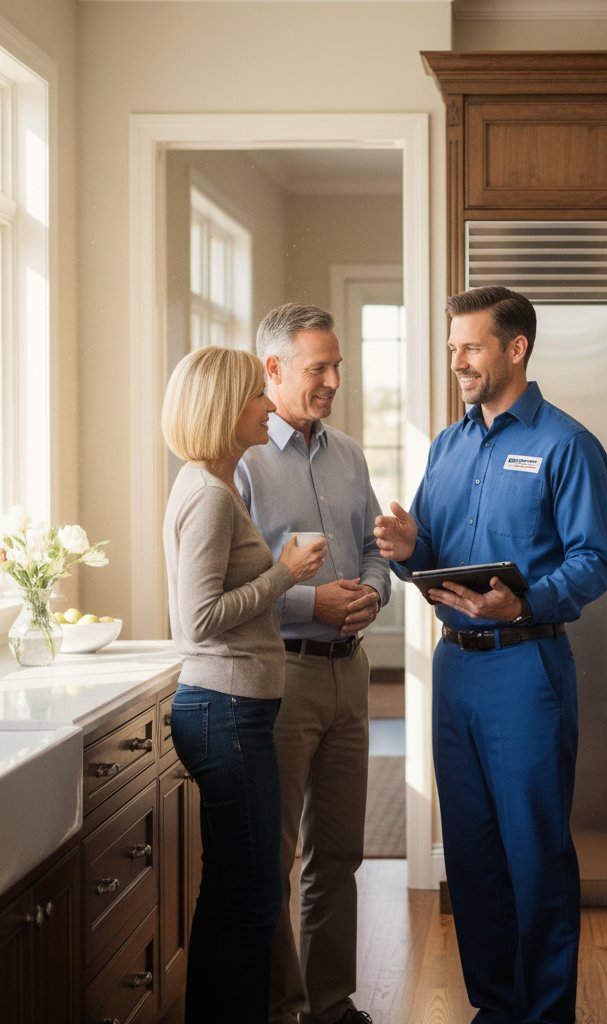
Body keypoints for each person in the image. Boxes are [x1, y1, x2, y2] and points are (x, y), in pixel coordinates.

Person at [374, 285, 607, 1024]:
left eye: (470, 347)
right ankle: (495, 1008)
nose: (458, 362)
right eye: (452, 349)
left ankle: (544, 1016)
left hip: (526, 671)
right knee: (474, 858)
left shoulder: (566, 444)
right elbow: (438, 561)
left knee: (534, 855)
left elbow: (595, 560)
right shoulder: (447, 447)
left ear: (516, 349)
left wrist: (527, 599)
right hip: (456, 671)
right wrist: (408, 552)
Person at [235, 303, 391, 1024]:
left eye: (337, 367)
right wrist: (310, 606)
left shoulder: (349, 453)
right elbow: (226, 591)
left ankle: (331, 1005)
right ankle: (281, 1007)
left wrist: (373, 593)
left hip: (350, 672)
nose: (332, 381)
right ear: (273, 369)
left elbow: (368, 550)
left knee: (340, 853)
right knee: (275, 856)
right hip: (281, 672)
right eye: (316, 368)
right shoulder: (237, 459)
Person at [162, 345, 327, 1024]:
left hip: (232, 710)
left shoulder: (216, 484)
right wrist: (285, 572)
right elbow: (196, 621)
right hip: (225, 710)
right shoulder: (206, 494)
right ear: (227, 409)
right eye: (259, 397)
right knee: (254, 897)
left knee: (233, 892)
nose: (269, 406)